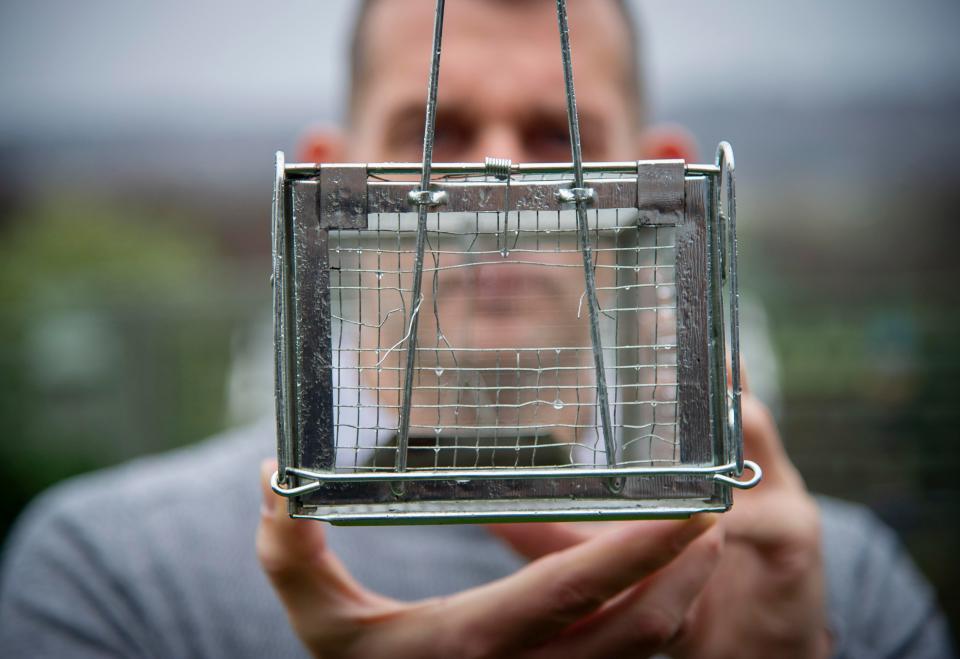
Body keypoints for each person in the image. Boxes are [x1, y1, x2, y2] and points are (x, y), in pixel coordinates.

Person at [0, 1, 953, 657]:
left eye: (558, 138)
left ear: (661, 183)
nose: (494, 189)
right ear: (331, 182)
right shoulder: (111, 571)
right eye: (435, 134)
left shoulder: (839, 581)